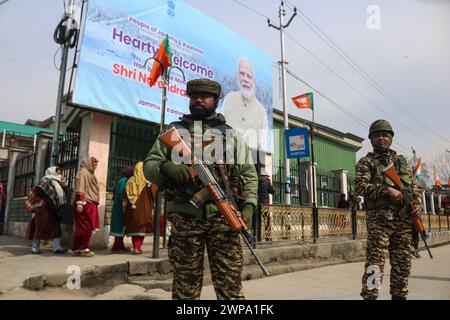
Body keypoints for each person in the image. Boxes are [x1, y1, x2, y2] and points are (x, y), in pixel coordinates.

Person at [144, 78, 258, 300]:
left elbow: (249, 175)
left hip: (224, 220)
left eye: (205, 96)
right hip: (185, 221)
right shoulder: (174, 131)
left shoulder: (231, 135)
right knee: (185, 288)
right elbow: (149, 166)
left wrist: (250, 206)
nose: (199, 99)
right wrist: (165, 167)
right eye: (194, 96)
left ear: (215, 101)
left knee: (230, 288)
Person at [355, 119, 421, 300]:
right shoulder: (366, 162)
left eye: (385, 135)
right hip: (379, 221)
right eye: (377, 136)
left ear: (391, 138)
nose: (381, 138)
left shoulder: (402, 163)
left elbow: (413, 187)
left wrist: (416, 206)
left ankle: (399, 296)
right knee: (375, 264)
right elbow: (360, 187)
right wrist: (386, 190)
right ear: (371, 139)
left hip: (403, 220)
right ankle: (370, 296)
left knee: (403, 263)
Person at [222, 57, 269, 152]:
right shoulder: (229, 98)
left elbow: (265, 146)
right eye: (242, 74)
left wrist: (266, 166)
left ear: (254, 81)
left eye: (249, 76)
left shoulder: (261, 111)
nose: (245, 79)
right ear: (237, 76)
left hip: (252, 163)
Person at [24, 166, 68, 254]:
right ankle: (35, 248)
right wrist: (41, 204)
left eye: (59, 172)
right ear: (51, 172)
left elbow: (65, 193)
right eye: (57, 172)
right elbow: (38, 191)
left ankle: (57, 248)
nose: (59, 174)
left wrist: (64, 183)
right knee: (40, 228)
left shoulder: (59, 182)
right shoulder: (45, 180)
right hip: (43, 210)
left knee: (55, 227)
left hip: (54, 209)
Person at [123, 162, 156, 255]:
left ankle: (136, 247)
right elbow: (154, 194)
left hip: (132, 210)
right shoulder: (147, 182)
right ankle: (137, 247)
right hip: (144, 210)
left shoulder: (130, 181)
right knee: (141, 228)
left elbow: (125, 195)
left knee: (135, 228)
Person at [72, 156, 100, 257]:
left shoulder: (89, 173)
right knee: (86, 226)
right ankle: (84, 248)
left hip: (89, 201)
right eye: (95, 164)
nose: (96, 167)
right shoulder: (83, 173)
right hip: (84, 202)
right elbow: (80, 187)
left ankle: (76, 248)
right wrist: (79, 202)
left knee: (82, 227)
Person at [110, 166, 134, 253]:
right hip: (121, 207)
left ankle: (120, 246)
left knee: (120, 227)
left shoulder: (121, 180)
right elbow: (121, 193)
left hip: (118, 206)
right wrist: (124, 204)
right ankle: (117, 247)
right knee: (119, 227)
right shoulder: (124, 181)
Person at [257, 175, 274, 240]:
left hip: (258, 203)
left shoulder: (257, 181)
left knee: (257, 220)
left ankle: (258, 236)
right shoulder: (267, 182)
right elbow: (272, 191)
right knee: (267, 220)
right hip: (265, 204)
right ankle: (268, 236)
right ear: (266, 176)